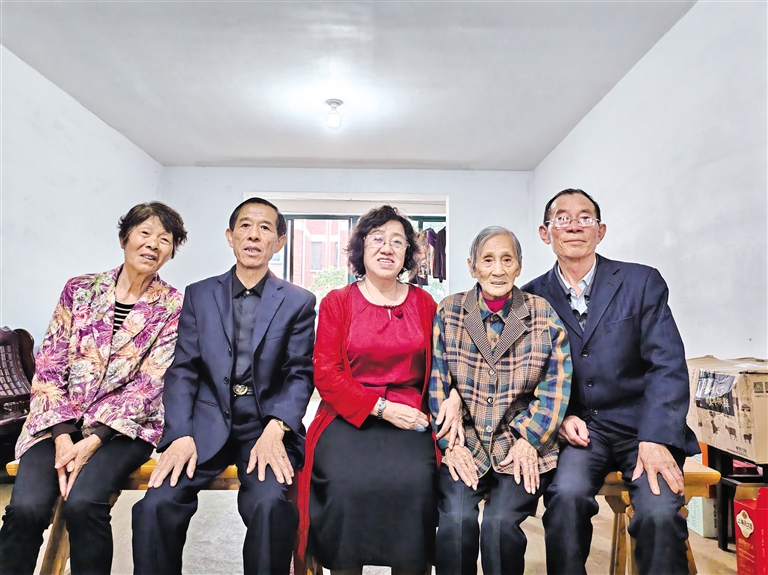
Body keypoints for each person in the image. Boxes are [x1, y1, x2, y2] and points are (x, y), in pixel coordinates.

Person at [0, 202, 187, 575]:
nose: (153, 244)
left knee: (85, 504)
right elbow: (50, 362)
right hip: (55, 424)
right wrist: (63, 435)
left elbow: (151, 382)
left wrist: (93, 440)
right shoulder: (79, 289)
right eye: (145, 233)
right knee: (26, 508)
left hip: (123, 430)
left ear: (170, 251)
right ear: (124, 238)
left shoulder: (173, 306)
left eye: (165, 239)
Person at [132, 198, 316, 575]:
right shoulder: (199, 295)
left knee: (271, 507)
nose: (254, 235)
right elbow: (183, 370)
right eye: (245, 226)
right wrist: (179, 434)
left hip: (264, 428)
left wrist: (277, 428)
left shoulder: (298, 301)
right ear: (230, 237)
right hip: (204, 426)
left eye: (265, 228)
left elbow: (299, 374)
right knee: (156, 506)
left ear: (279, 242)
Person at [522, 188, 699, 575]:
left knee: (658, 514)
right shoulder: (531, 298)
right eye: (562, 218)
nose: (574, 226)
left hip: (643, 426)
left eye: (585, 218)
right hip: (581, 430)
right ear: (545, 232)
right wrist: (559, 417)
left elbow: (667, 364)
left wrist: (656, 437)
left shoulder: (641, 282)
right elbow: (529, 378)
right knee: (565, 499)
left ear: (600, 231)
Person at [295, 205, 438, 575]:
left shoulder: (424, 303)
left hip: (412, 416)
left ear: (408, 253)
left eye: (397, 241)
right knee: (345, 485)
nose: (387, 248)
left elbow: (442, 367)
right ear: (361, 247)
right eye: (377, 239)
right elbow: (326, 373)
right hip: (349, 413)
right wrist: (383, 408)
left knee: (416, 483)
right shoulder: (338, 302)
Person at [429, 226, 572, 575]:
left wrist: (530, 439)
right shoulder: (450, 311)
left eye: (507, 260)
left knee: (500, 525)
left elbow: (556, 384)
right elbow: (437, 382)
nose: (497, 270)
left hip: (518, 443)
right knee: (456, 523)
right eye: (488, 260)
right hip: (467, 441)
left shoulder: (541, 313)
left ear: (519, 266)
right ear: (472, 266)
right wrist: (450, 444)